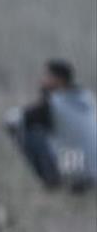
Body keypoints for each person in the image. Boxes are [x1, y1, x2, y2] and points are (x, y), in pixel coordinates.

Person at [5, 59, 97, 190]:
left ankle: (52, 181)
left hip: (76, 171)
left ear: (58, 80)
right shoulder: (87, 98)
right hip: (93, 168)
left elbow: (13, 119)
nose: (42, 80)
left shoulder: (54, 104)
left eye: (46, 76)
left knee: (28, 131)